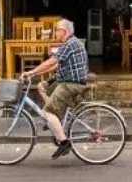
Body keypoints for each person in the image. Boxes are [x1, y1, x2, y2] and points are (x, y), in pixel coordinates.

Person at [20, 19, 88, 160]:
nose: (55, 32)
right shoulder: (70, 43)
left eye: (56, 29)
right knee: (41, 86)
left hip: (70, 84)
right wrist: (38, 74)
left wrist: (31, 72)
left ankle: (64, 142)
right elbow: (56, 66)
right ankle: (55, 119)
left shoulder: (70, 44)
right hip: (65, 80)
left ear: (64, 31)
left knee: (47, 111)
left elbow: (52, 61)